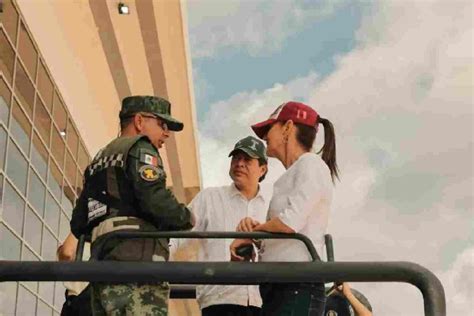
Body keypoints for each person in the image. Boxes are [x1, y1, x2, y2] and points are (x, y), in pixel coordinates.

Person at [70, 95, 194, 316]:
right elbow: (156, 201)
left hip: (102, 265)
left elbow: (79, 222)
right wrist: (186, 217)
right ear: (139, 121)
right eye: (162, 124)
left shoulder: (99, 160)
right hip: (136, 265)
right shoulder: (141, 148)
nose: (166, 133)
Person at [230, 101, 339, 316]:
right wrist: (258, 237)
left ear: (288, 127)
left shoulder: (311, 164)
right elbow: (288, 233)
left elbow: (290, 222)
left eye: (269, 129)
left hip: (296, 285)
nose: (264, 137)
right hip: (281, 285)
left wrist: (254, 232)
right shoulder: (295, 173)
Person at [170, 136, 269, 316]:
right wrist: (152, 263)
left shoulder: (271, 207)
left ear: (262, 169)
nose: (239, 163)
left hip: (263, 304)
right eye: (236, 158)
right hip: (219, 302)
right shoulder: (209, 197)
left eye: (247, 159)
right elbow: (177, 235)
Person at [57, 233, 92, 316]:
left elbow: (67, 253)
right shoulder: (110, 244)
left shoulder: (81, 241)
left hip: (78, 305)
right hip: (105, 303)